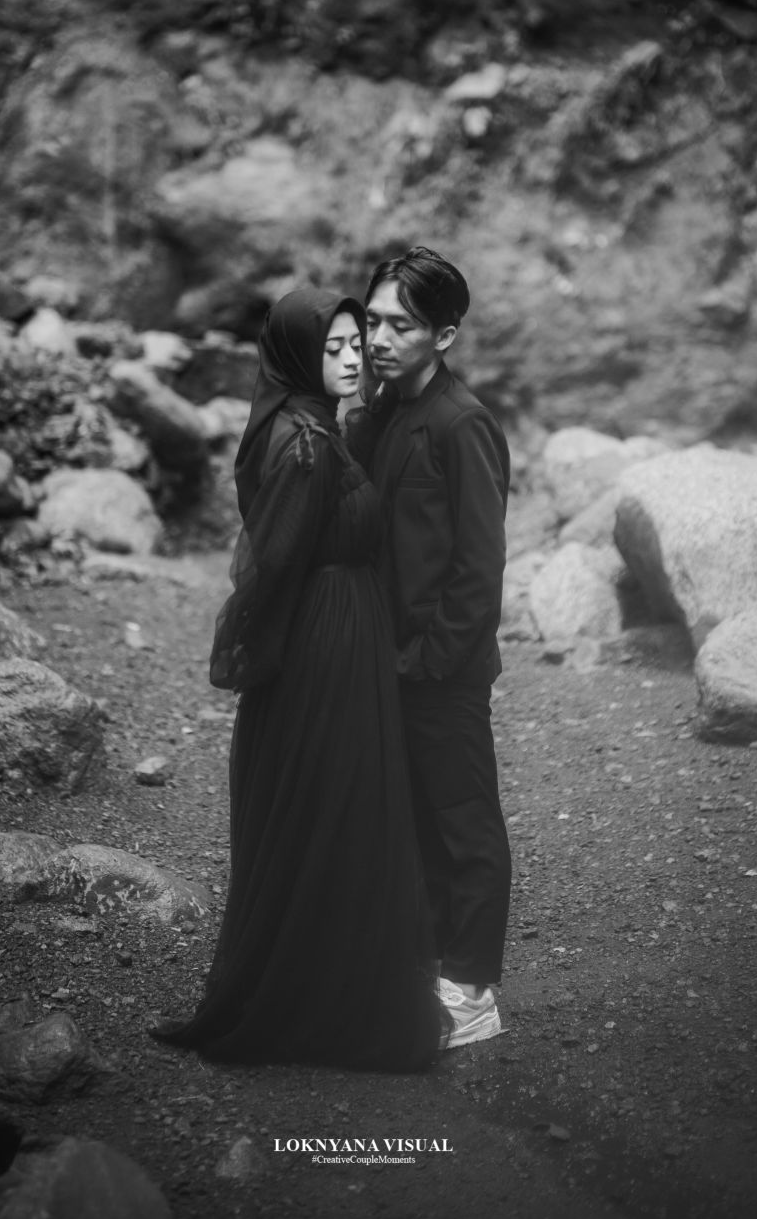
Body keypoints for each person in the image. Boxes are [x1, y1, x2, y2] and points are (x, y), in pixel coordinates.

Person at [150, 287, 445, 1071]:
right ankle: (312, 1005)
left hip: (339, 628)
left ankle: (322, 993)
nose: (352, 357)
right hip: (326, 639)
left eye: (354, 343)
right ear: (294, 356)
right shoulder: (303, 445)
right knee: (332, 804)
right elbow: (274, 563)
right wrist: (269, 662)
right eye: (332, 347)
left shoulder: (314, 428)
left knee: (334, 807)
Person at [352, 246, 512, 1049]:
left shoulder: (461, 422)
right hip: (385, 662)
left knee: (462, 822)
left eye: (401, 326)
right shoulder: (382, 412)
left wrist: (428, 660)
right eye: (373, 320)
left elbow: (479, 565)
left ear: (442, 336)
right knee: (409, 821)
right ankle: (427, 970)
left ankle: (471, 993)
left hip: (440, 671)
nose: (379, 338)